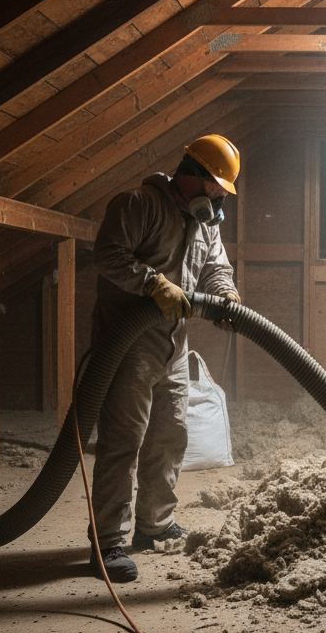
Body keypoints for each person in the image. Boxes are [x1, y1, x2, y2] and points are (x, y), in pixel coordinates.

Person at [88, 134, 242, 582]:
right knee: (124, 442)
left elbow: (215, 268)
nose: (216, 197)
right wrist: (152, 282)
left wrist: (226, 295)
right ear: (189, 173)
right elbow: (107, 253)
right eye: (213, 186)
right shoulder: (137, 205)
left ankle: (154, 525)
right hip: (128, 344)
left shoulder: (205, 223)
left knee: (171, 434)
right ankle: (108, 543)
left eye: (222, 192)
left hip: (175, 344)